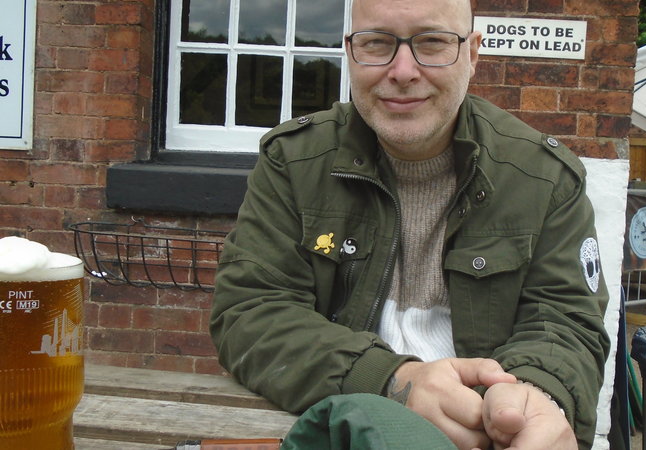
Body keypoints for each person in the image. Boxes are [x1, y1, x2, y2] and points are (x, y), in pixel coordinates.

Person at [210, 0, 610, 448]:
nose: (402, 70)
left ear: (472, 54)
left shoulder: (545, 177)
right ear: (349, 51)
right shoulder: (293, 161)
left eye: (432, 42)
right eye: (377, 42)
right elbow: (251, 312)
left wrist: (536, 394)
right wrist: (394, 381)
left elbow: (566, 322)